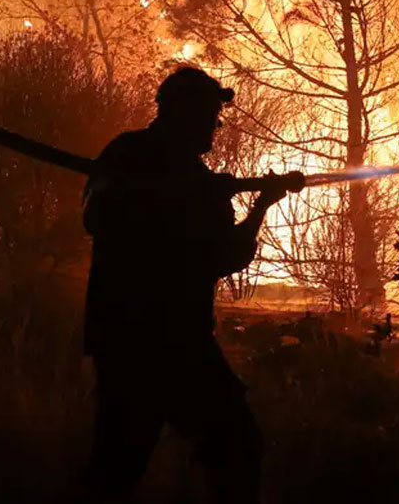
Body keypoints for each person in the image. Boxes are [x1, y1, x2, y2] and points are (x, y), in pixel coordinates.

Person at [81, 67, 295, 503]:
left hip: (137, 341)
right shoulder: (143, 164)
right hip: (162, 346)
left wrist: (255, 205)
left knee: (120, 469)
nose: (216, 126)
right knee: (232, 448)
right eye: (211, 115)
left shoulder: (136, 158)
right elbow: (225, 256)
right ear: (186, 113)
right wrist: (204, 200)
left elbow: (225, 254)